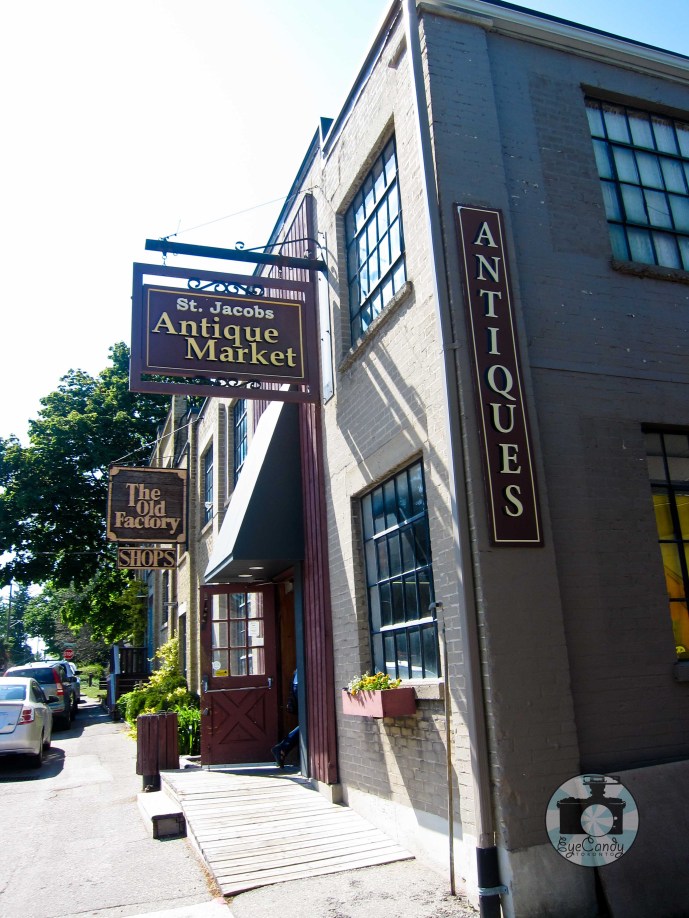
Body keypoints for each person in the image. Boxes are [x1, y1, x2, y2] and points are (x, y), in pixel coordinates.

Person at [271, 669, 298, 768]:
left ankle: (282, 748)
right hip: (301, 685)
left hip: (297, 684)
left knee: (308, 724)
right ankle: (282, 747)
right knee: (309, 724)